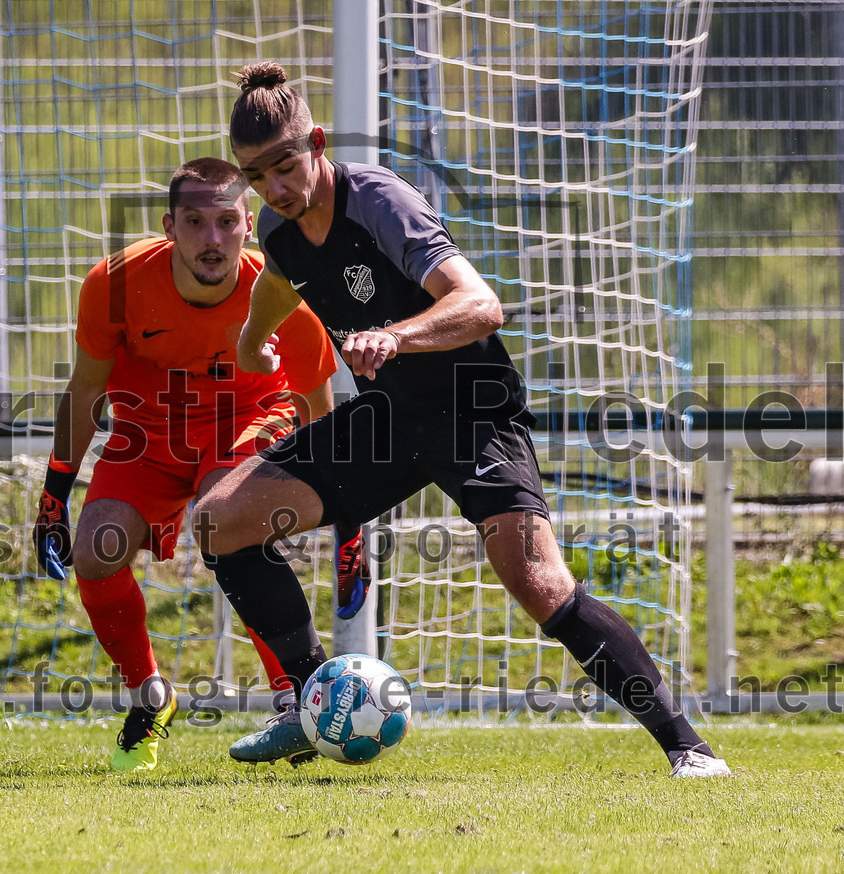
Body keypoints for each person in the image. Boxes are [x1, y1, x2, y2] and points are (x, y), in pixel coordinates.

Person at [192, 62, 730, 779]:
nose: (276, 189)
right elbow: (282, 282)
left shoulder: (380, 201)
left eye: (286, 167)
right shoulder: (279, 230)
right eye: (258, 177)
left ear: (316, 141)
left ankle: (687, 746)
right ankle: (307, 698)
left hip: (471, 409)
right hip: (390, 419)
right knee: (219, 519)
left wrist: (398, 334)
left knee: (538, 580)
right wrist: (251, 338)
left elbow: (481, 305)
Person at [32, 156, 357, 772]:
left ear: (249, 225)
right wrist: (54, 495)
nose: (212, 239)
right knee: (94, 549)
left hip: (247, 423)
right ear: (168, 226)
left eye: (227, 221)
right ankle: (149, 696)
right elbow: (85, 393)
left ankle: (295, 699)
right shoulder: (117, 283)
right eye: (195, 222)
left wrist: (349, 519)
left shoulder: (285, 289)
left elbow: (317, 404)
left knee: (221, 519)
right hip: (146, 436)